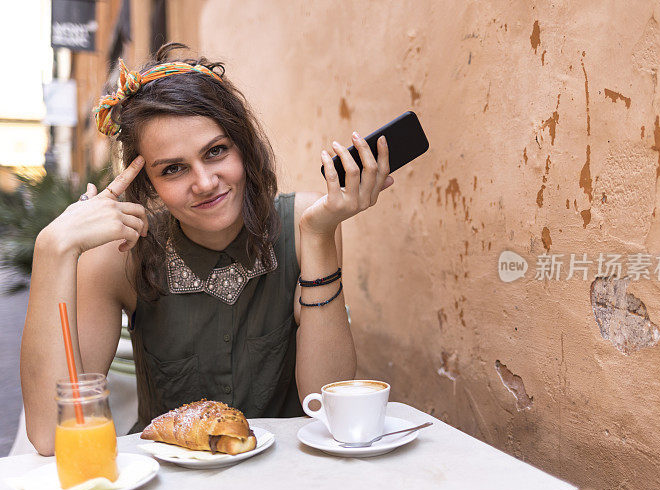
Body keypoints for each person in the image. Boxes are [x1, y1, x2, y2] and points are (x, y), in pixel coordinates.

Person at [20, 43, 393, 455]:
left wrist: (320, 235)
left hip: (288, 485)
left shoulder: (306, 225)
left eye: (216, 152)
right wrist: (52, 248)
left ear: (244, 149)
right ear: (149, 185)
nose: (204, 182)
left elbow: (327, 405)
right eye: (173, 169)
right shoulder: (120, 256)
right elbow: (50, 434)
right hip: (168, 488)